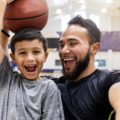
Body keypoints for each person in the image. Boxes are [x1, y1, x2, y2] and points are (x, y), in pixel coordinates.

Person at [0, 0, 64, 120]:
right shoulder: (7, 80)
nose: (30, 58)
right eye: (22, 53)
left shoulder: (48, 88)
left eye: (36, 52)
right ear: (13, 58)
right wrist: (5, 27)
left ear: (45, 56)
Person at [51, 15, 120, 120]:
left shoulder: (108, 81)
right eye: (62, 45)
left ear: (94, 48)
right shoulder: (52, 86)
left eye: (72, 43)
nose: (63, 51)